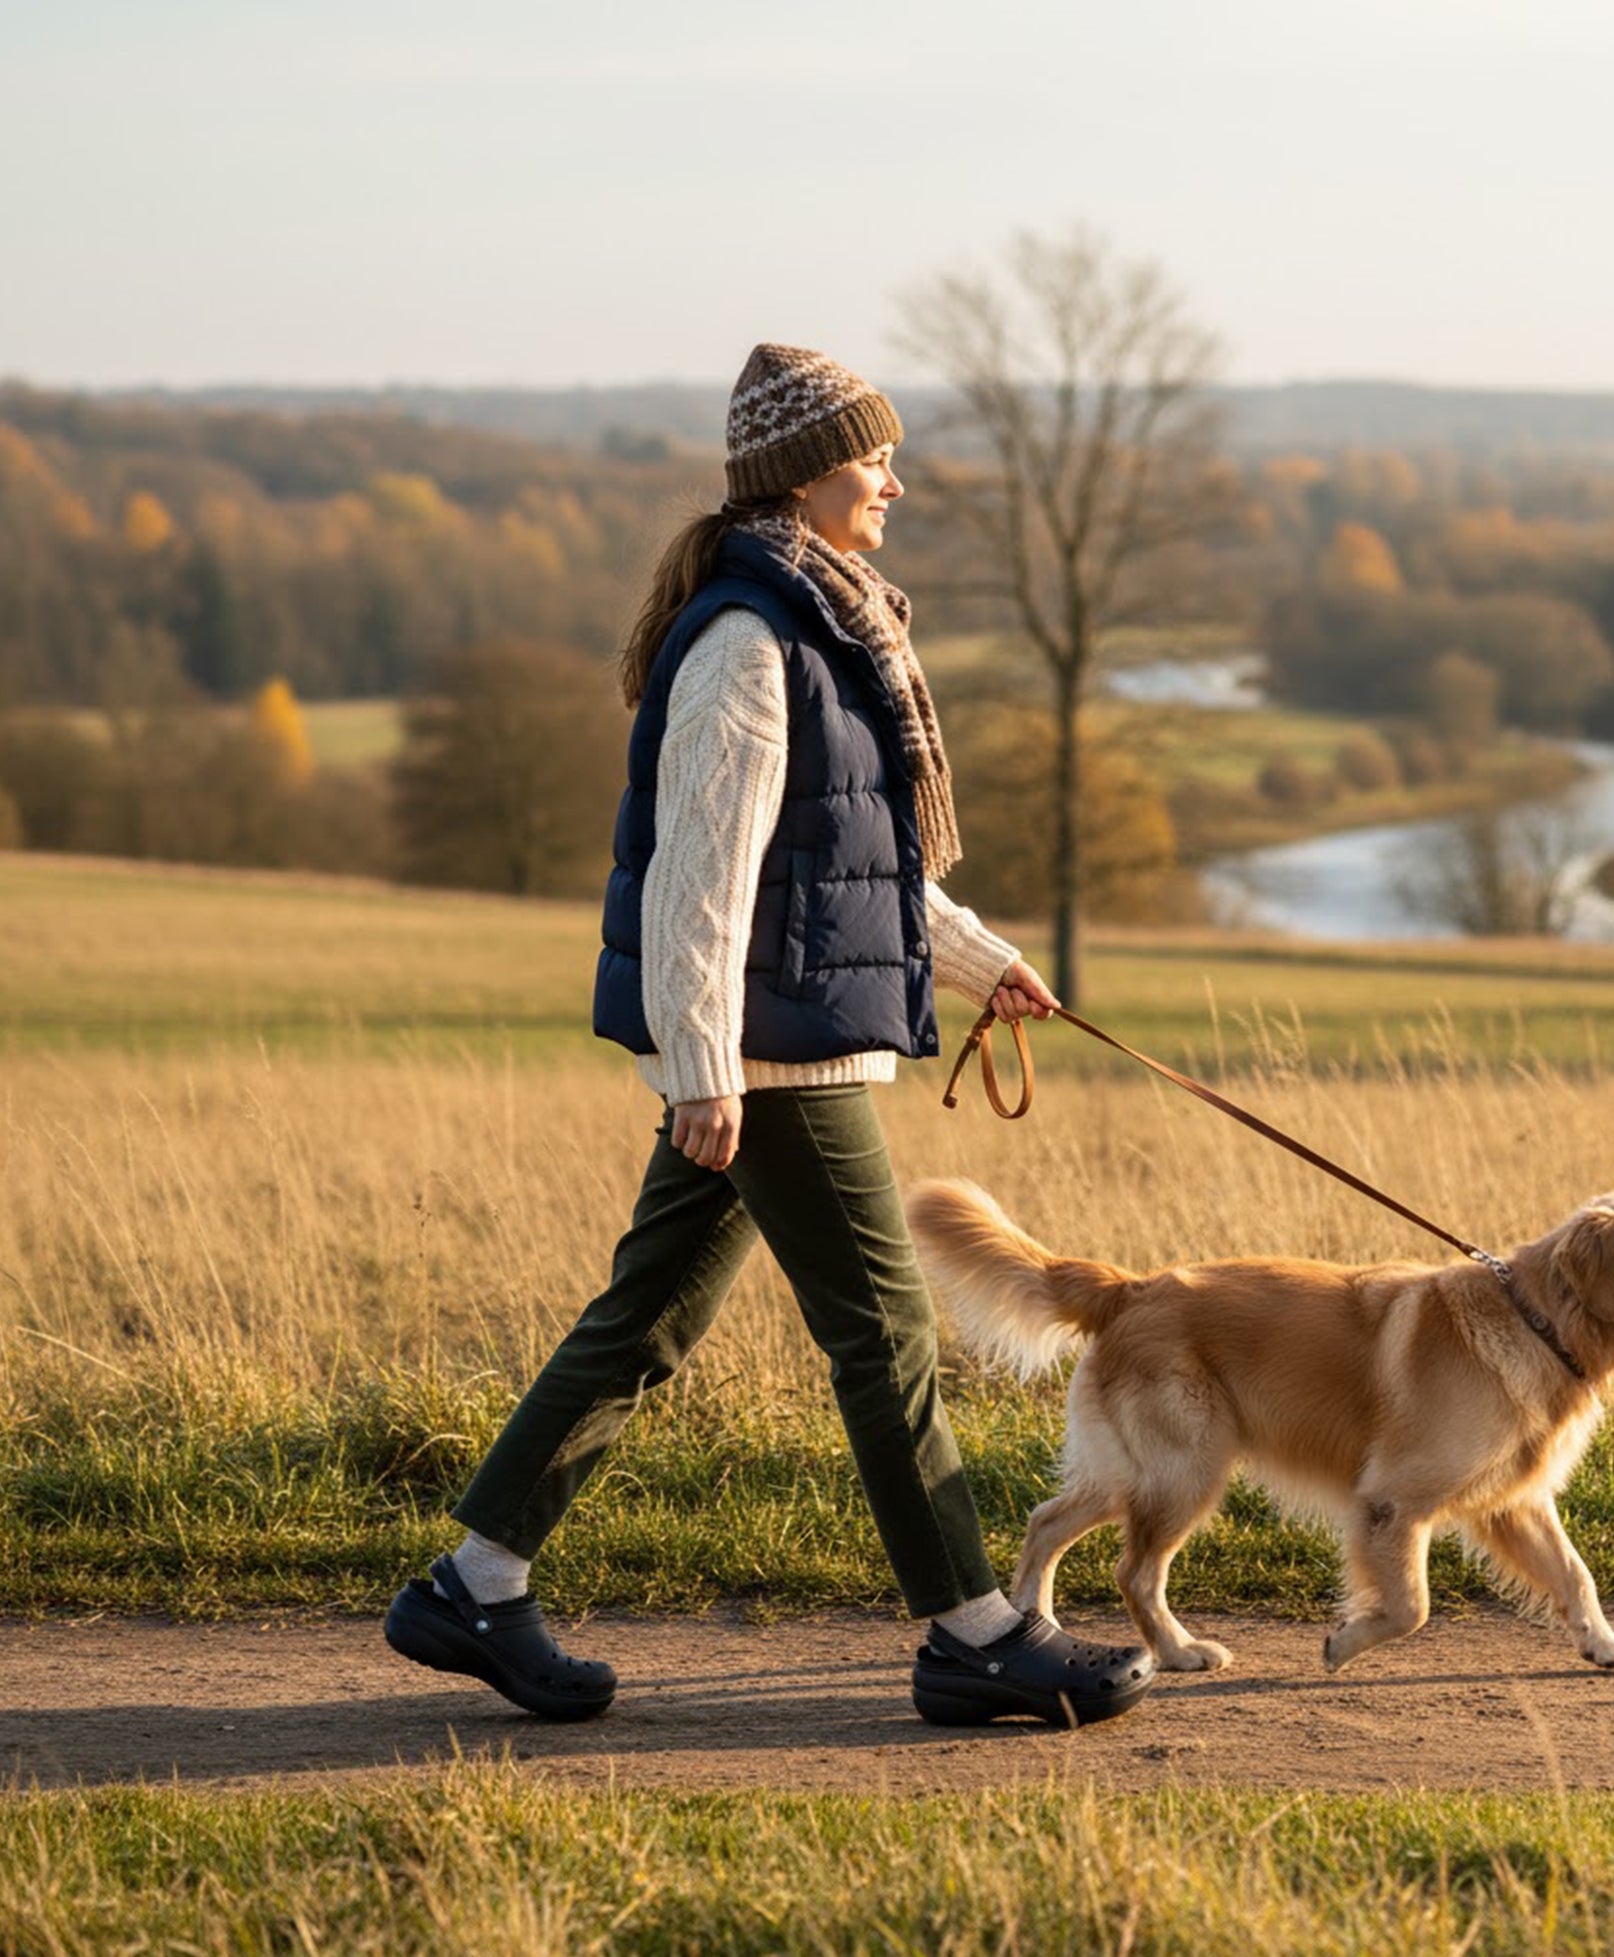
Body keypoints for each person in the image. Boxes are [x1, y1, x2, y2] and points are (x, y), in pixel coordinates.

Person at [385, 343, 1154, 1731]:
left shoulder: (824, 625)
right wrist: (705, 1068)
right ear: (806, 476)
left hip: (772, 1041)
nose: (895, 483)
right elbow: (702, 875)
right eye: (876, 459)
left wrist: (986, 963)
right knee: (888, 1332)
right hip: (772, 1055)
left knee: (647, 1318)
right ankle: (975, 1629)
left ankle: (476, 1577)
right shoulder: (751, 643)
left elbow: (853, 860)